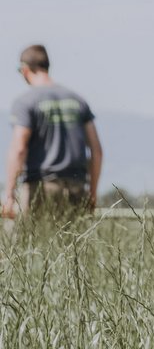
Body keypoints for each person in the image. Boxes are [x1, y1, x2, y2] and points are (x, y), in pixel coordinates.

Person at [3, 44, 103, 222]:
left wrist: (9, 195)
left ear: (25, 69)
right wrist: (92, 193)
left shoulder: (26, 102)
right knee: (73, 240)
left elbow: (19, 149)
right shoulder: (78, 100)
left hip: (41, 188)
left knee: (30, 239)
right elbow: (96, 151)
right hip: (77, 187)